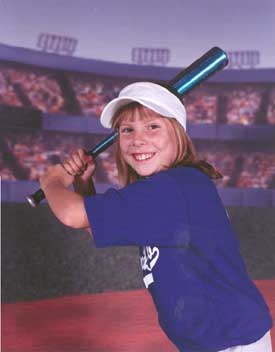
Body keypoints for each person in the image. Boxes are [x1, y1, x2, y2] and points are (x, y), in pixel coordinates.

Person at [40, 82, 273, 352]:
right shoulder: (166, 189)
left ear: (178, 134)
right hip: (215, 339)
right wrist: (83, 186)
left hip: (232, 341)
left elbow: (72, 214)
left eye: (153, 126)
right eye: (127, 130)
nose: (138, 139)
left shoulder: (172, 188)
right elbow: (96, 224)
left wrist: (52, 184)